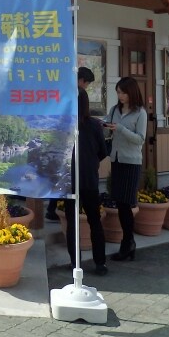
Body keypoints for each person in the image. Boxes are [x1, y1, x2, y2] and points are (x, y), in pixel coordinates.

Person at [64, 87, 107, 275]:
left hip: (68, 180)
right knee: (94, 221)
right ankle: (100, 263)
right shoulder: (95, 125)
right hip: (89, 179)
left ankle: (76, 265)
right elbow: (103, 152)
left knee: (72, 223)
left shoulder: (63, 124)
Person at [47, 66, 96, 222]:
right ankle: (53, 209)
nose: (86, 87)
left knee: (61, 177)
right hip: (73, 152)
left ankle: (52, 208)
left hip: (61, 143)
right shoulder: (76, 94)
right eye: (87, 84)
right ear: (82, 80)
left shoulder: (63, 91)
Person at [105, 76, 146, 261]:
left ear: (131, 92)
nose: (120, 96)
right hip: (117, 160)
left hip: (131, 162)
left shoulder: (140, 113)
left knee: (126, 203)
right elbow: (109, 131)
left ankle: (128, 242)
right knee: (120, 203)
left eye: (123, 92)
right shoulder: (114, 110)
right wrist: (105, 127)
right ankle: (128, 243)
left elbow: (140, 139)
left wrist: (120, 129)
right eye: (118, 93)